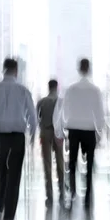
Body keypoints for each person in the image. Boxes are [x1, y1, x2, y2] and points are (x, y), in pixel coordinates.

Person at [0, 58, 37, 220]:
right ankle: (9, 215)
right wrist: (32, 137)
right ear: (16, 71)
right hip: (17, 136)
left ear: (3, 69)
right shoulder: (23, 90)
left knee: (1, 170)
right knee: (14, 175)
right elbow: (32, 117)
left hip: (0, 135)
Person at [60, 58, 105, 210]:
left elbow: (65, 110)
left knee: (72, 162)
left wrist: (67, 124)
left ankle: (72, 191)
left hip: (74, 128)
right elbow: (99, 113)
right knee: (90, 164)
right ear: (89, 69)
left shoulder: (71, 89)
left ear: (79, 69)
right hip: (89, 129)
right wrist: (99, 131)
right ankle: (88, 195)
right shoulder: (95, 90)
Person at [36, 79, 65, 208]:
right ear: (57, 87)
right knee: (60, 162)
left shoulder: (42, 102)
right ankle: (62, 192)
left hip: (45, 132)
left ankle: (49, 195)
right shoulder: (61, 102)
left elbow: (37, 118)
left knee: (47, 164)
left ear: (48, 87)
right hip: (58, 133)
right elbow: (65, 119)